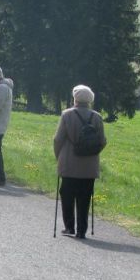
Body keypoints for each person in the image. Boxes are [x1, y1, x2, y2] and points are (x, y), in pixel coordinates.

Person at [54, 85, 106, 239]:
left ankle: (69, 226)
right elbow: (102, 141)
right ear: (90, 100)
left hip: (69, 163)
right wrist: (92, 153)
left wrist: (59, 157)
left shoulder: (67, 115)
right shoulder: (97, 117)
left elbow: (58, 139)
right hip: (89, 166)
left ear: (75, 98)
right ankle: (82, 230)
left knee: (67, 194)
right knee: (85, 197)